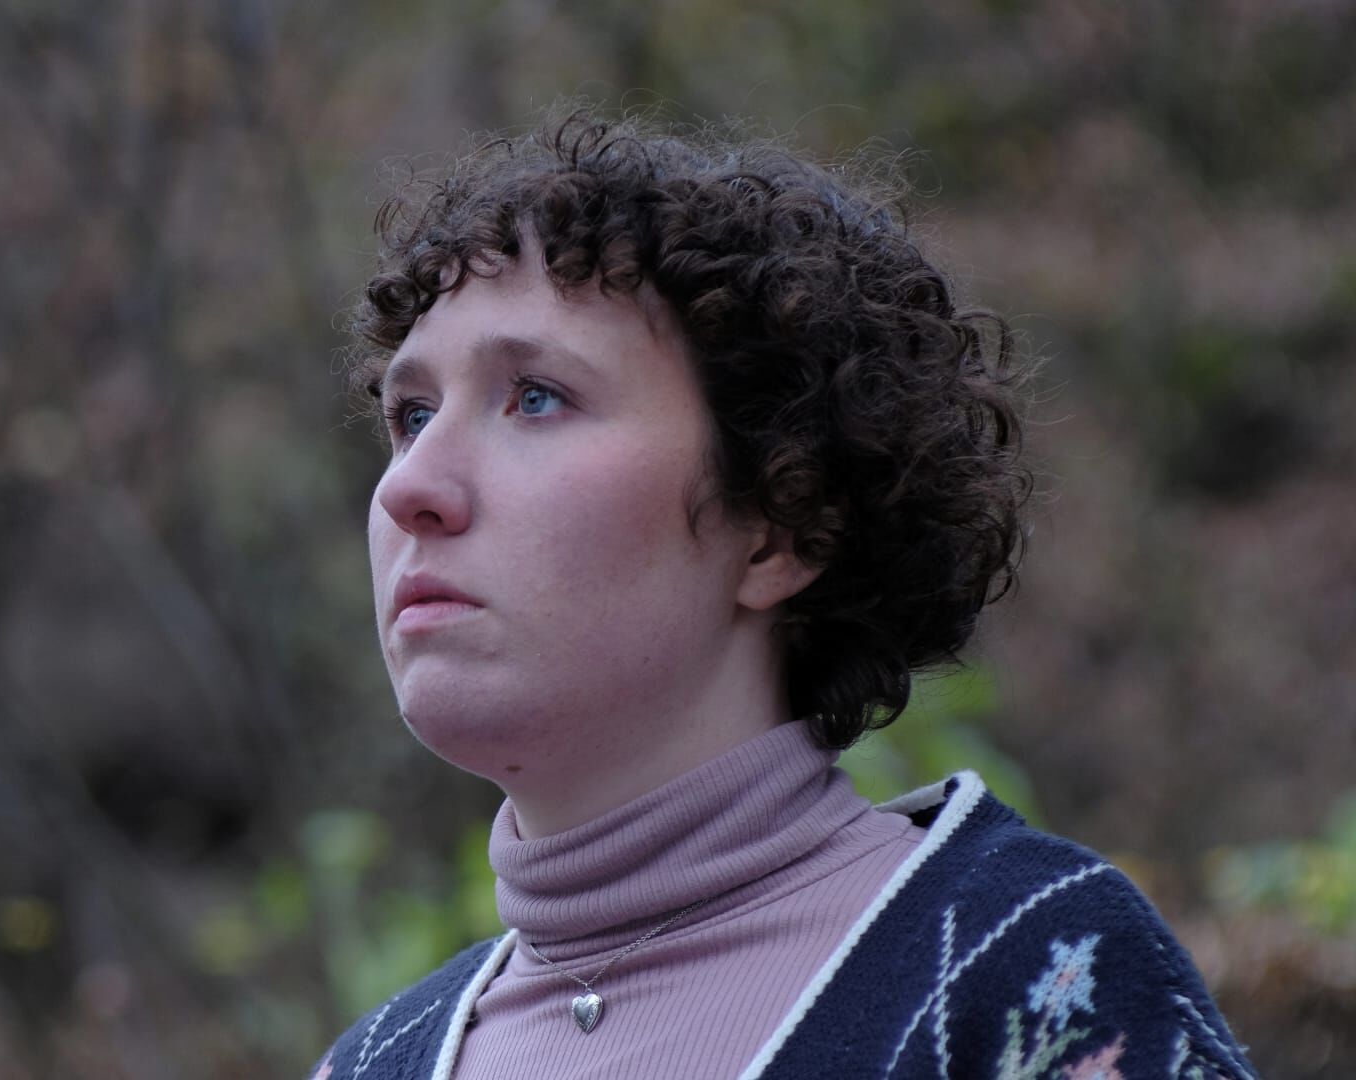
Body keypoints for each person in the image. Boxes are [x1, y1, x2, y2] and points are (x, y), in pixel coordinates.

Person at [309, 109, 1257, 1080]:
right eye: (410, 415)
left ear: (781, 527)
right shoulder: (371, 1065)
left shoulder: (1039, 978)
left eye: (536, 397)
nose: (409, 485)